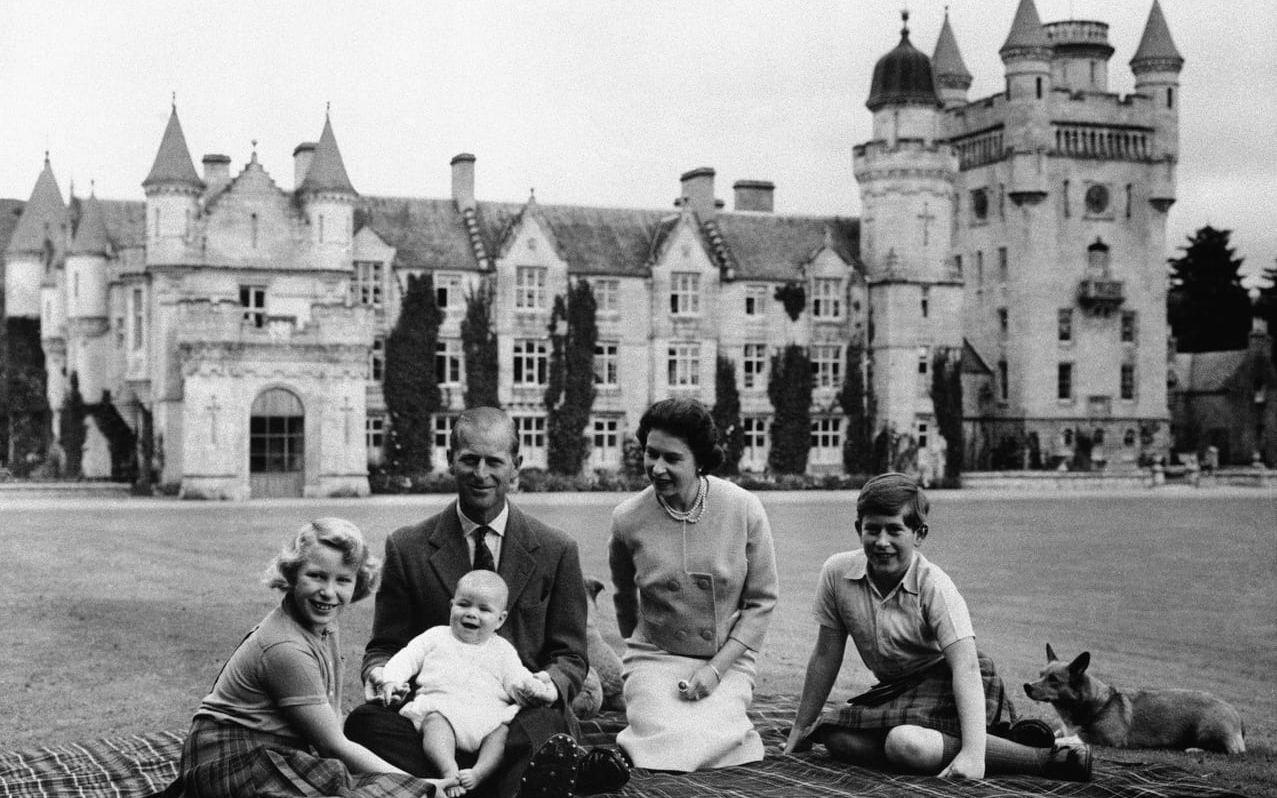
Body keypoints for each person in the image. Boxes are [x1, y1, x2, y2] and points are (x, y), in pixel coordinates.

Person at [344, 406, 593, 798]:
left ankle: (457, 784)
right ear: (449, 461)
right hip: (435, 718)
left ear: (516, 466)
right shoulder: (407, 547)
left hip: (513, 721)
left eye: (495, 461)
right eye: (469, 460)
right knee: (363, 724)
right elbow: (385, 647)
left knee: (546, 727)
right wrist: (380, 675)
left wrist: (550, 682)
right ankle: (493, 782)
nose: (481, 474)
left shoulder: (556, 549)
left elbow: (572, 656)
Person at [782, 473, 1092, 781]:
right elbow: (825, 655)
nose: (882, 542)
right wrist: (799, 728)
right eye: (872, 530)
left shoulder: (935, 585)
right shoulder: (837, 573)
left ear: (919, 534)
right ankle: (1004, 743)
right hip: (895, 690)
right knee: (835, 737)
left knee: (905, 743)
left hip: (953, 681)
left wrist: (972, 756)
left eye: (894, 530)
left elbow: (967, 667)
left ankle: (1047, 757)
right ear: (858, 529)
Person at [160, 518, 456, 797]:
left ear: (359, 582)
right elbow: (333, 745)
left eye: (343, 580)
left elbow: (332, 715)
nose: (328, 592)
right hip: (229, 756)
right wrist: (418, 784)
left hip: (273, 750)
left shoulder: (324, 624)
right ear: (292, 574)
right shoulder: (286, 647)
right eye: (316, 576)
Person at [608, 398, 779, 771]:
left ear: (699, 460)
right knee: (659, 730)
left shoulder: (744, 509)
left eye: (672, 458)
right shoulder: (627, 519)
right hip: (655, 655)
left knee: (711, 736)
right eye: (651, 454)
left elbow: (762, 602)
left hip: (726, 660)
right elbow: (624, 597)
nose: (657, 468)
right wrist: (645, 655)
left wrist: (716, 670)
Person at [379, 570, 558, 797]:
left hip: (487, 718)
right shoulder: (435, 636)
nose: (472, 614)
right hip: (444, 708)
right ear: (451, 606)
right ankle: (448, 770)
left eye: (484, 609)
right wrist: (392, 680)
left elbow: (516, 677)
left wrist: (531, 686)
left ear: (500, 619)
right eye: (464, 604)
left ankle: (479, 773)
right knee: (434, 723)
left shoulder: (502, 649)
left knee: (501, 733)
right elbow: (407, 657)